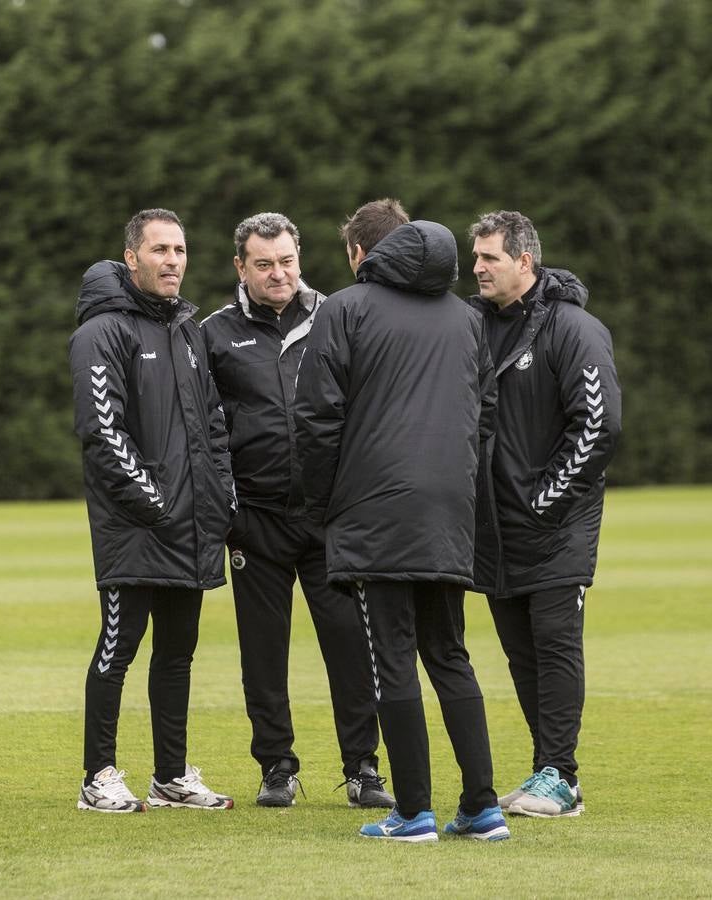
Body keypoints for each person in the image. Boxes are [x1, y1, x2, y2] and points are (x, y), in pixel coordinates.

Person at [294, 199, 506, 843]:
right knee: (449, 653)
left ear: (364, 254)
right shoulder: (467, 318)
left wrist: (322, 505)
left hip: (374, 508)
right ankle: (481, 806)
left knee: (392, 657)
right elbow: (485, 412)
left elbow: (315, 418)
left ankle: (413, 812)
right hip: (447, 507)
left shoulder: (343, 309)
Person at [201, 212, 392, 809]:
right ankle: (276, 767)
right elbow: (205, 428)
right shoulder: (213, 332)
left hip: (327, 518)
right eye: (263, 264)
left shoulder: (338, 314)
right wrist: (226, 507)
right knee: (262, 653)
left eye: (286, 261)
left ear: (300, 256)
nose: (278, 274)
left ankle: (363, 768)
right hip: (254, 519)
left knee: (350, 649)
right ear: (241, 267)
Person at [68, 208, 236, 813]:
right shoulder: (102, 332)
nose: (173, 261)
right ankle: (99, 776)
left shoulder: (187, 329)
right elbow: (103, 432)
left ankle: (170, 776)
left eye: (181, 249)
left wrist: (219, 496)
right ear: (132, 258)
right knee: (119, 646)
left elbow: (212, 422)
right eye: (160, 250)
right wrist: (157, 503)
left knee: (178, 652)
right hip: (135, 527)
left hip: (190, 524)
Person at [467, 210, 621, 818]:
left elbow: (600, 424)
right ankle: (548, 773)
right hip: (493, 524)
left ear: (524, 262)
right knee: (520, 651)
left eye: (489, 258)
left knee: (555, 644)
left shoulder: (574, 328)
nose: (476, 268)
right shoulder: (472, 325)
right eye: (475, 257)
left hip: (557, 523)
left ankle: (559, 773)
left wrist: (546, 500)